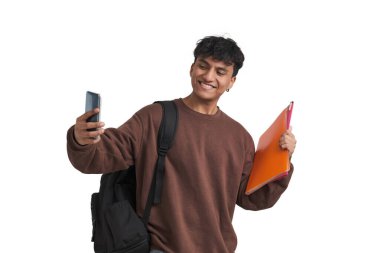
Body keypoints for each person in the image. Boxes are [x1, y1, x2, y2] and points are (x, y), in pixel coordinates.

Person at [67, 36, 297, 253]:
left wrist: (282, 159)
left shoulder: (239, 137)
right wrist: (82, 139)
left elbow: (252, 198)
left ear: (231, 81)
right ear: (191, 68)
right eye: (203, 66)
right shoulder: (154, 118)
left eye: (220, 71)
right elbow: (98, 157)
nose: (208, 76)